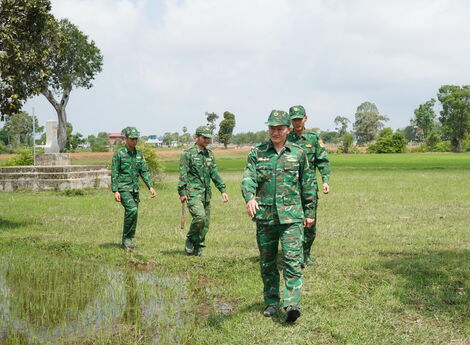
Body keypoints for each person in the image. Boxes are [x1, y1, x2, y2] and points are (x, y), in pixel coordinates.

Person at [241, 110, 317, 323]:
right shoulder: (257, 153)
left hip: (292, 217)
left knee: (293, 260)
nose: (275, 132)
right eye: (271, 128)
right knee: (267, 263)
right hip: (265, 218)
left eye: (280, 128)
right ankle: (272, 302)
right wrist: (249, 197)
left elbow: (308, 183)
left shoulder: (299, 153)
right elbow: (248, 178)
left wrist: (309, 211)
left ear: (288, 129)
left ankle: (292, 303)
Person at [287, 105, 331, 267]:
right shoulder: (286, 137)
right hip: (289, 187)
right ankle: (294, 255)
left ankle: (305, 254)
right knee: (293, 222)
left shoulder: (313, 138)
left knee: (310, 222)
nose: (297, 122)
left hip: (309, 187)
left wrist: (325, 180)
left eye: (299, 119)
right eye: (294, 119)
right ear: (290, 120)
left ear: (305, 118)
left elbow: (322, 160)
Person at [178, 125, 229, 256]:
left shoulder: (210, 155)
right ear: (197, 137)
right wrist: (182, 193)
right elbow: (183, 174)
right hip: (193, 192)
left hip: (206, 194)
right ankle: (190, 239)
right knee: (199, 217)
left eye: (209, 138)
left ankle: (198, 249)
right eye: (204, 137)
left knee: (205, 224)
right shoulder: (187, 154)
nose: (207, 140)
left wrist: (222, 190)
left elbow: (214, 174)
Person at [111, 126, 156, 249]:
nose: (134, 141)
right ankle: (126, 239)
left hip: (135, 189)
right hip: (123, 188)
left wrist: (150, 187)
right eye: (132, 139)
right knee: (132, 210)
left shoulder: (139, 155)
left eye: (136, 139)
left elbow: (144, 172)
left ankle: (129, 239)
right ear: (125, 139)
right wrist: (115, 190)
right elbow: (114, 172)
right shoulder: (119, 154)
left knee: (134, 215)